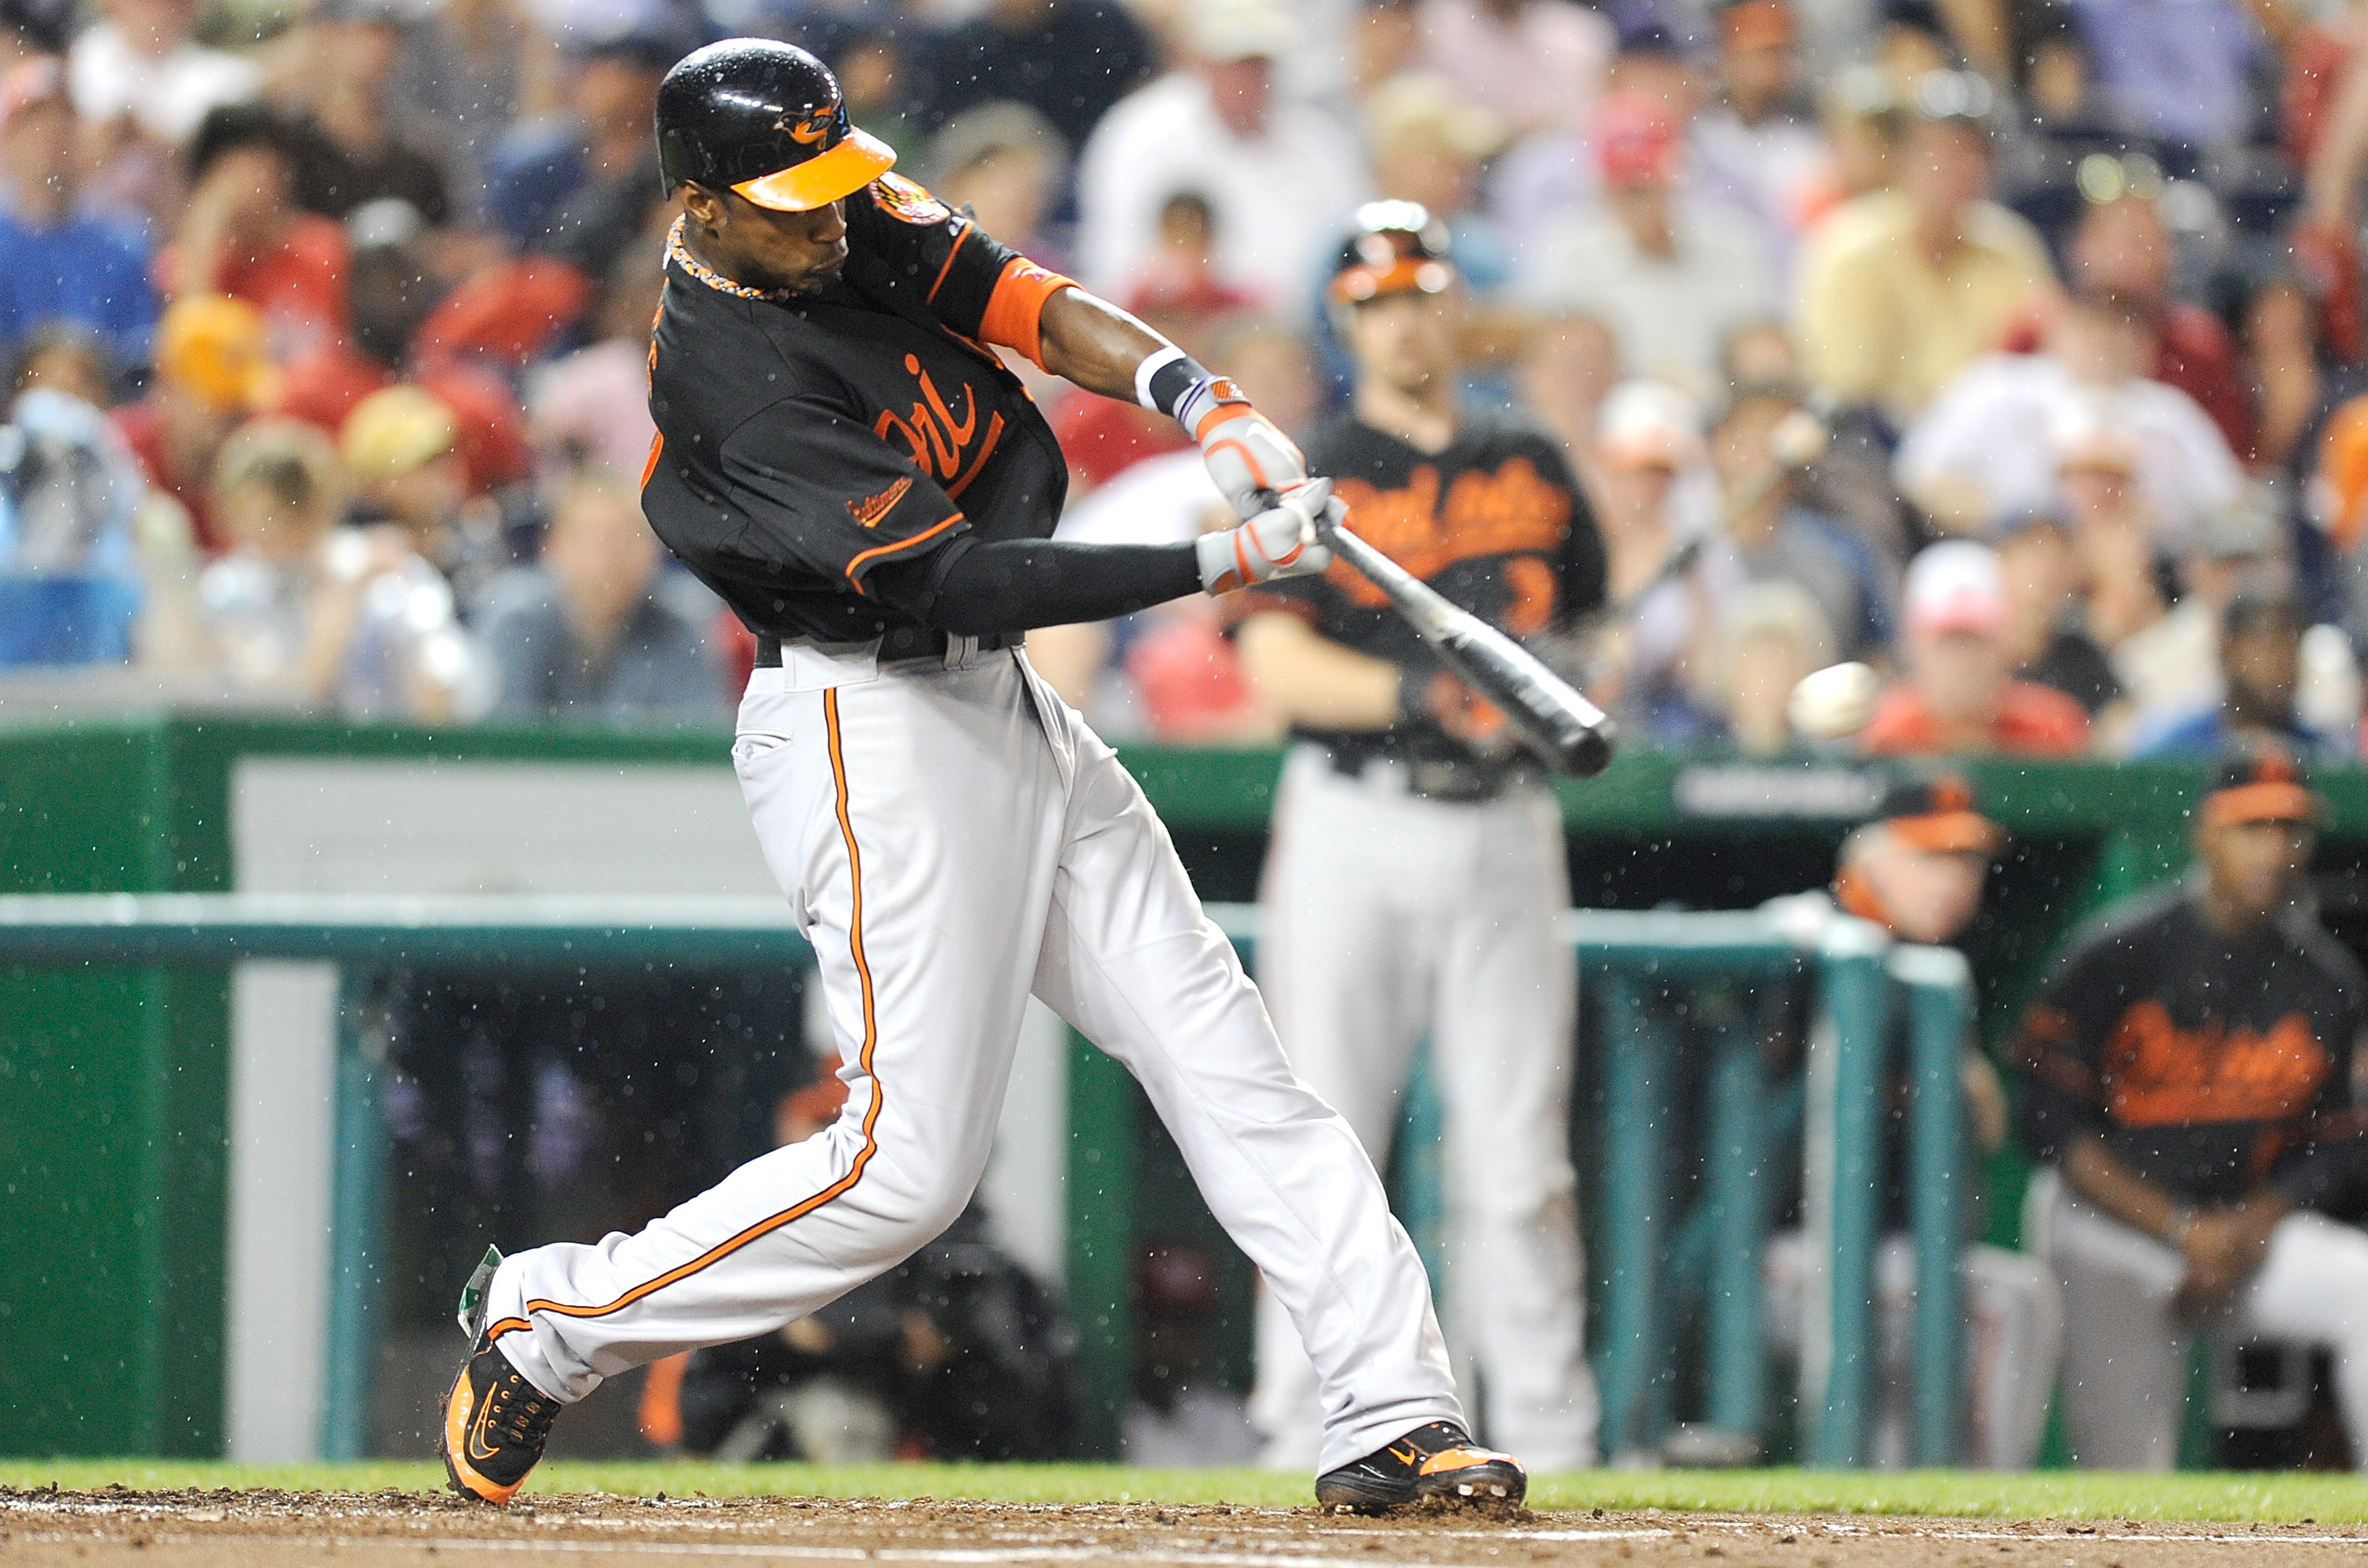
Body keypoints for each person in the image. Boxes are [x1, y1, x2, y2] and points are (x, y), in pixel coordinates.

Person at [440, 41, 1523, 1517]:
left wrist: (1192, 393)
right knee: (906, 1169)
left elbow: (1012, 293)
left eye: (835, 188)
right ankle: (555, 1318)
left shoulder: (828, 203)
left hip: (997, 708)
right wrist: (1219, 556)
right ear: (698, 204)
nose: (832, 220)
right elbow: (962, 578)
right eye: (791, 203)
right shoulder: (730, 379)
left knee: (1238, 1071)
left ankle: (1395, 1408)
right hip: (868, 722)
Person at [1231, 204, 1606, 1474]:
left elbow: (1590, 624)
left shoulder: (1532, 459)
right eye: (1378, 298)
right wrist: (1418, 695)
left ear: (1453, 304)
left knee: (1519, 1160)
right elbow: (1275, 661)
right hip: (1354, 813)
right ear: (1346, 318)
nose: (1403, 316)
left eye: (1422, 292)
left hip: (1505, 825)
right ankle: (1305, 1428)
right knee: (1327, 1133)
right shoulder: (1311, 466)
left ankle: (1552, 1436)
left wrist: (1538, 683)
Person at [2015, 745, 2368, 1471]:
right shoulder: (2117, 953)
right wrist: (2181, 1229)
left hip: (2245, 1236)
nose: (2276, 848)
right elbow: (2048, 1122)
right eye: (2253, 827)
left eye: (2290, 829)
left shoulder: (2324, 977)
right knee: (2127, 1473)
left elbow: (2336, 1143)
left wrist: (2241, 1231)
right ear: (2207, 834)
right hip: (2116, 1228)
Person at [1760, 773, 2063, 1469]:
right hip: (1775, 1257)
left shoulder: (1934, 967)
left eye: (1968, 861)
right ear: (1866, 861)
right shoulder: (1808, 948)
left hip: (1881, 1254)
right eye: (1931, 857)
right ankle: (1987, 1517)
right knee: (2004, 1304)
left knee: (1992, 1301)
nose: (1955, 880)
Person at [1073, 0, 1371, 322]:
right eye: (1233, 63)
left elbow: (1347, 257)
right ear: (1198, 59)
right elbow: (1112, 263)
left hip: (1295, 344)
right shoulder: (1139, 135)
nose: (1247, 79)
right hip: (1174, 331)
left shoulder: (1322, 145)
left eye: (1258, 63)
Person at [1795, 72, 2055, 426]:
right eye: (1935, 150)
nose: (1953, 167)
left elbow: (2039, 365)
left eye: (1971, 152)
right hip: (1876, 439)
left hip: (1985, 437)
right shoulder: (1851, 246)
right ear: (1901, 158)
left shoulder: (2011, 246)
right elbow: (1843, 387)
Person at [1894, 290, 2245, 545]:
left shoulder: (2170, 414)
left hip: (2140, 568)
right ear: (2059, 331)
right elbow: (1916, 477)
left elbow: (2232, 511)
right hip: (2006, 556)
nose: (2106, 342)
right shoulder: (1999, 388)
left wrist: (2164, 528)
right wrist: (2012, 521)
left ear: (2146, 346)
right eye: (2093, 326)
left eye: (2122, 329)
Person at [1519, 90, 1772, 399]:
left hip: (1718, 416)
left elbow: (1756, 349)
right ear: (1603, 189)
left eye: (1649, 184)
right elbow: (1555, 368)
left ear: (1677, 178)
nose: (1642, 204)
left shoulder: (1732, 243)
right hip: (1611, 418)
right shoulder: (1566, 250)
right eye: (1628, 190)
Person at [477, 474, 725, 722]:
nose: (610, 559)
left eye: (627, 539)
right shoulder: (517, 622)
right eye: (595, 540)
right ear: (554, 545)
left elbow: (696, 738)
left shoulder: (681, 626)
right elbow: (499, 740)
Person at [0, 57, 157, 376]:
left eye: (66, 116)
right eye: (33, 118)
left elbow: (141, 355)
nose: (53, 131)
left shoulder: (127, 243)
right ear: (7, 139)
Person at [1862, 540, 2092, 756]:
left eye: (1977, 640)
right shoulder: (1883, 736)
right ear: (1915, 647)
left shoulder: (2053, 731)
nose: (1963, 660)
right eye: (1949, 640)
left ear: (2005, 643)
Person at [2126, 586, 2340, 759]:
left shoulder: (2324, 755)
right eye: (2265, 642)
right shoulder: (2173, 747)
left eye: (2291, 643)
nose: (2280, 660)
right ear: (2227, 649)